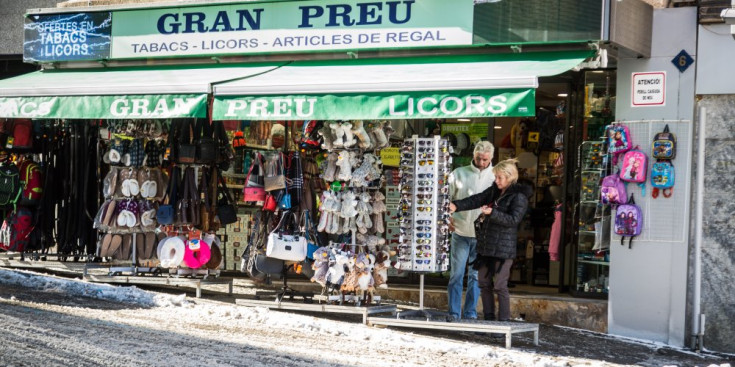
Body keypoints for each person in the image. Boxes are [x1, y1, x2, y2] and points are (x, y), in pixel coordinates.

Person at [448, 158, 531, 322]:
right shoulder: (495, 191)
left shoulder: (519, 197)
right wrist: (456, 205)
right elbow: (477, 199)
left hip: (503, 249)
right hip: (486, 246)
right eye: (496, 177)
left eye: (500, 177)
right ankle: (489, 320)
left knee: (500, 286)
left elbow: (513, 220)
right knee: (484, 283)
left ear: (510, 177)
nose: (496, 180)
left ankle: (504, 322)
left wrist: (491, 213)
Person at [446, 141, 495, 321]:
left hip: (483, 235)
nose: (482, 162)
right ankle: (453, 312)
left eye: (485, 159)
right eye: (479, 158)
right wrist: (447, 219)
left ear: (491, 158)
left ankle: (470, 312)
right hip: (460, 231)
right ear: (473, 156)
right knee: (456, 275)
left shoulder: (495, 176)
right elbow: (446, 199)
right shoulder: (459, 173)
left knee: (476, 277)